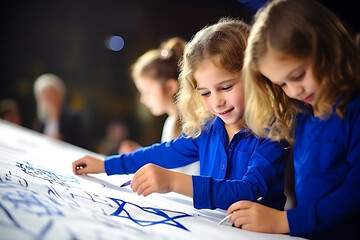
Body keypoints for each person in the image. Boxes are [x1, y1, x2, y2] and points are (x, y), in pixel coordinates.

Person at [72, 18, 288, 211]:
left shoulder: (273, 132)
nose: (216, 102)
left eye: (226, 87)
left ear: (253, 77)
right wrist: (106, 165)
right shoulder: (208, 129)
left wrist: (173, 181)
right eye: (205, 92)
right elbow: (162, 153)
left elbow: (249, 190)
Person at [226, 0, 360, 239]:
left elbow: (354, 193)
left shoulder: (354, 111)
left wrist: (284, 220)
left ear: (326, 46)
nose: (294, 90)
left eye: (298, 75)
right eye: (282, 84)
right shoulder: (304, 114)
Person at [119, 37, 199, 174]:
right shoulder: (171, 122)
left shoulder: (194, 127)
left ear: (170, 87)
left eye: (147, 91)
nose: (143, 100)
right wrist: (140, 155)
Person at [33, 73, 92, 150]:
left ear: (60, 94)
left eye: (51, 93)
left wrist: (63, 141)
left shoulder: (74, 118)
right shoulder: (42, 120)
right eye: (44, 94)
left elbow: (85, 144)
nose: (48, 97)